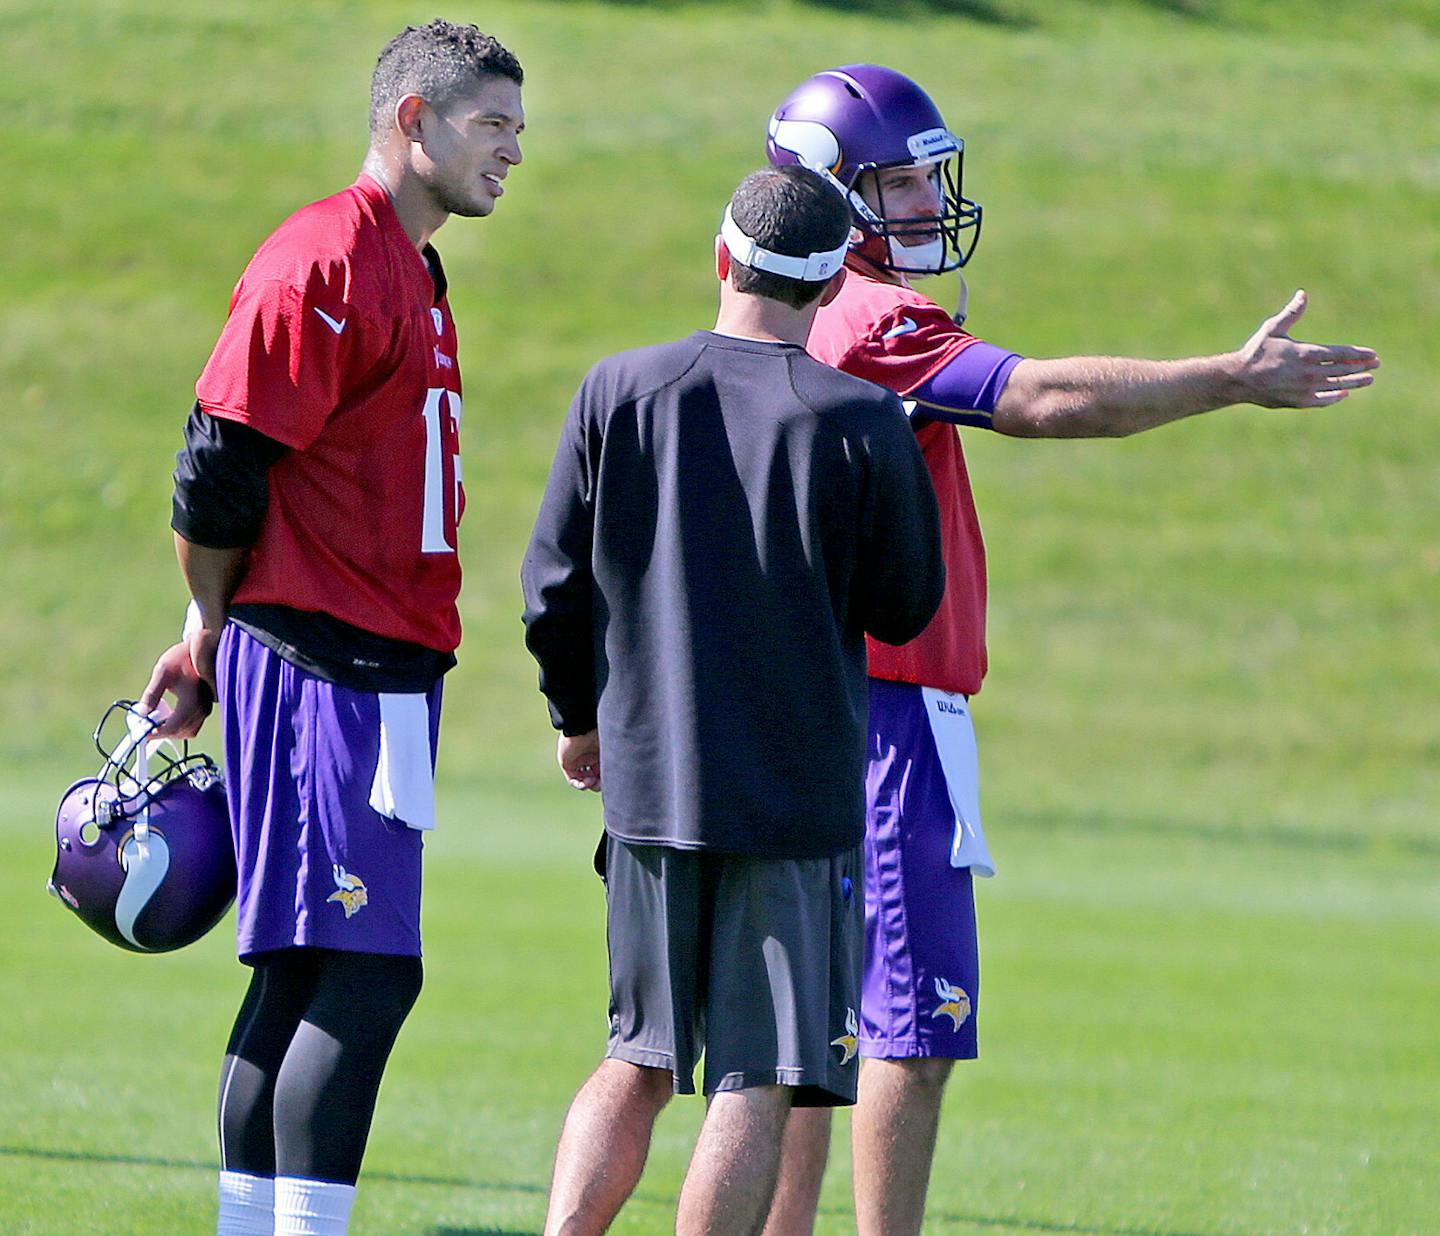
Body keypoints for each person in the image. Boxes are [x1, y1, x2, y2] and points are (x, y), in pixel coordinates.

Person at [759, 65, 1381, 1236]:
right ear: (831, 189)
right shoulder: (868, 315)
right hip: (886, 711)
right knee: (906, 1028)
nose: (924, 207)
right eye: (897, 183)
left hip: (827, 705)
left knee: (817, 1038)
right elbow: (1041, 398)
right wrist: (1230, 379)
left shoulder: (796, 313)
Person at [135, 20, 524, 1236]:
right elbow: (218, 466)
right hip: (321, 663)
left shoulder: (417, 264)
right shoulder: (325, 257)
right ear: (413, 120)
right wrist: (207, 629)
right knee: (360, 972)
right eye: (491, 124)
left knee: (311, 967)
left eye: (520, 127)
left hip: (382, 666)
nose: (514, 151)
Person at [521, 165, 946, 1236]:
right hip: (792, 808)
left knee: (636, 1057)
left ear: (723, 259)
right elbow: (905, 610)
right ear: (831, 286)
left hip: (652, 789)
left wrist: (580, 722)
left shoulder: (617, 390)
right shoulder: (859, 420)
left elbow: (550, 592)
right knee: (752, 1079)